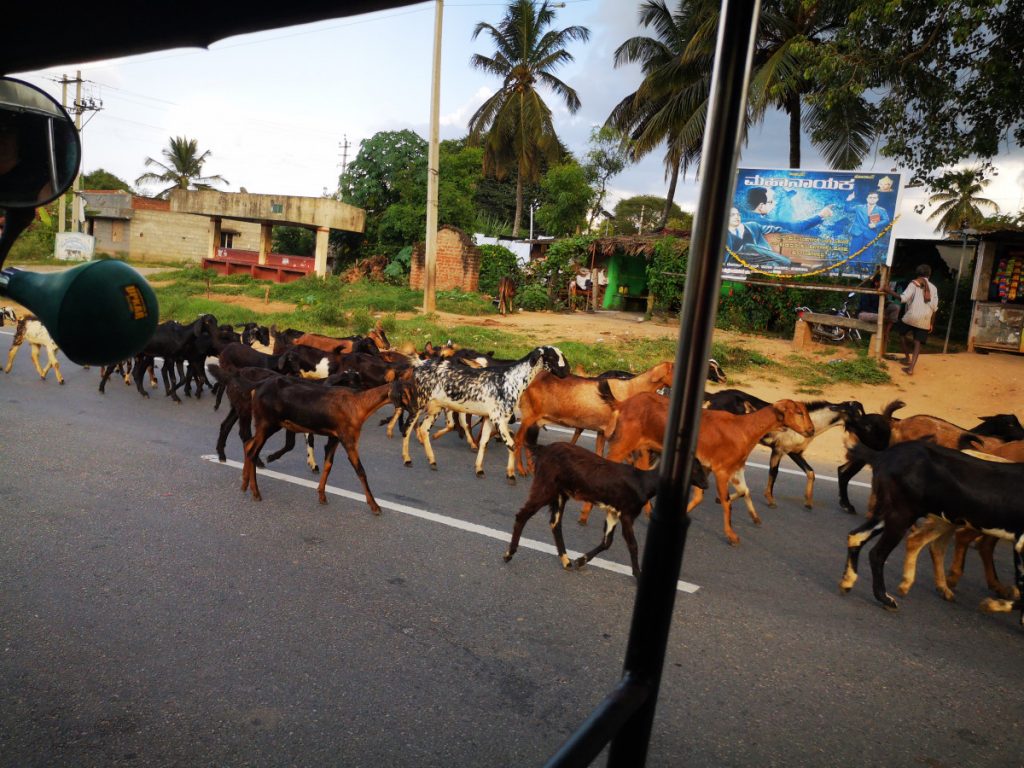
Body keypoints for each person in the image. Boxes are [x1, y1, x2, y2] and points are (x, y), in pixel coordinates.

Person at [888, 264, 938, 376]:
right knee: (917, 343)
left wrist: (888, 291)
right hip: (925, 319)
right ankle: (911, 369)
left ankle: (907, 357)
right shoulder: (934, 288)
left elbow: (903, 299)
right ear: (929, 275)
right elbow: (935, 308)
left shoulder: (914, 284)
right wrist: (931, 324)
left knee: (901, 334)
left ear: (917, 273)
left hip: (910, 317)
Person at [726, 207, 791, 267]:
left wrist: (790, 235)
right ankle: (786, 262)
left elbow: (775, 229)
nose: (737, 217)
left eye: (738, 214)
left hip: (758, 261)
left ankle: (781, 263)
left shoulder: (753, 226)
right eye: (732, 215)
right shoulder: (724, 235)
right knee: (747, 247)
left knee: (772, 264)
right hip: (736, 263)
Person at [856, 271, 900, 351]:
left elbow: (885, 304)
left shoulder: (883, 292)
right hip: (864, 314)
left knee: (896, 307)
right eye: (883, 283)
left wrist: (888, 302)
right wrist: (881, 314)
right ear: (876, 283)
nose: (886, 285)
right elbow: (865, 307)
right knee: (879, 317)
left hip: (879, 314)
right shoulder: (868, 291)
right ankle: (885, 322)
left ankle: (887, 333)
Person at [846, 191, 891, 266]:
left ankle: (864, 267)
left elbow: (886, 220)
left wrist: (876, 225)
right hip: (858, 233)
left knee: (867, 252)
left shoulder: (881, 210)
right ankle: (851, 266)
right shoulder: (859, 207)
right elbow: (847, 209)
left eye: (874, 198)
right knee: (854, 251)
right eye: (870, 197)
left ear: (877, 199)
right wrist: (848, 200)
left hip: (870, 233)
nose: (872, 199)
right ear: (867, 199)